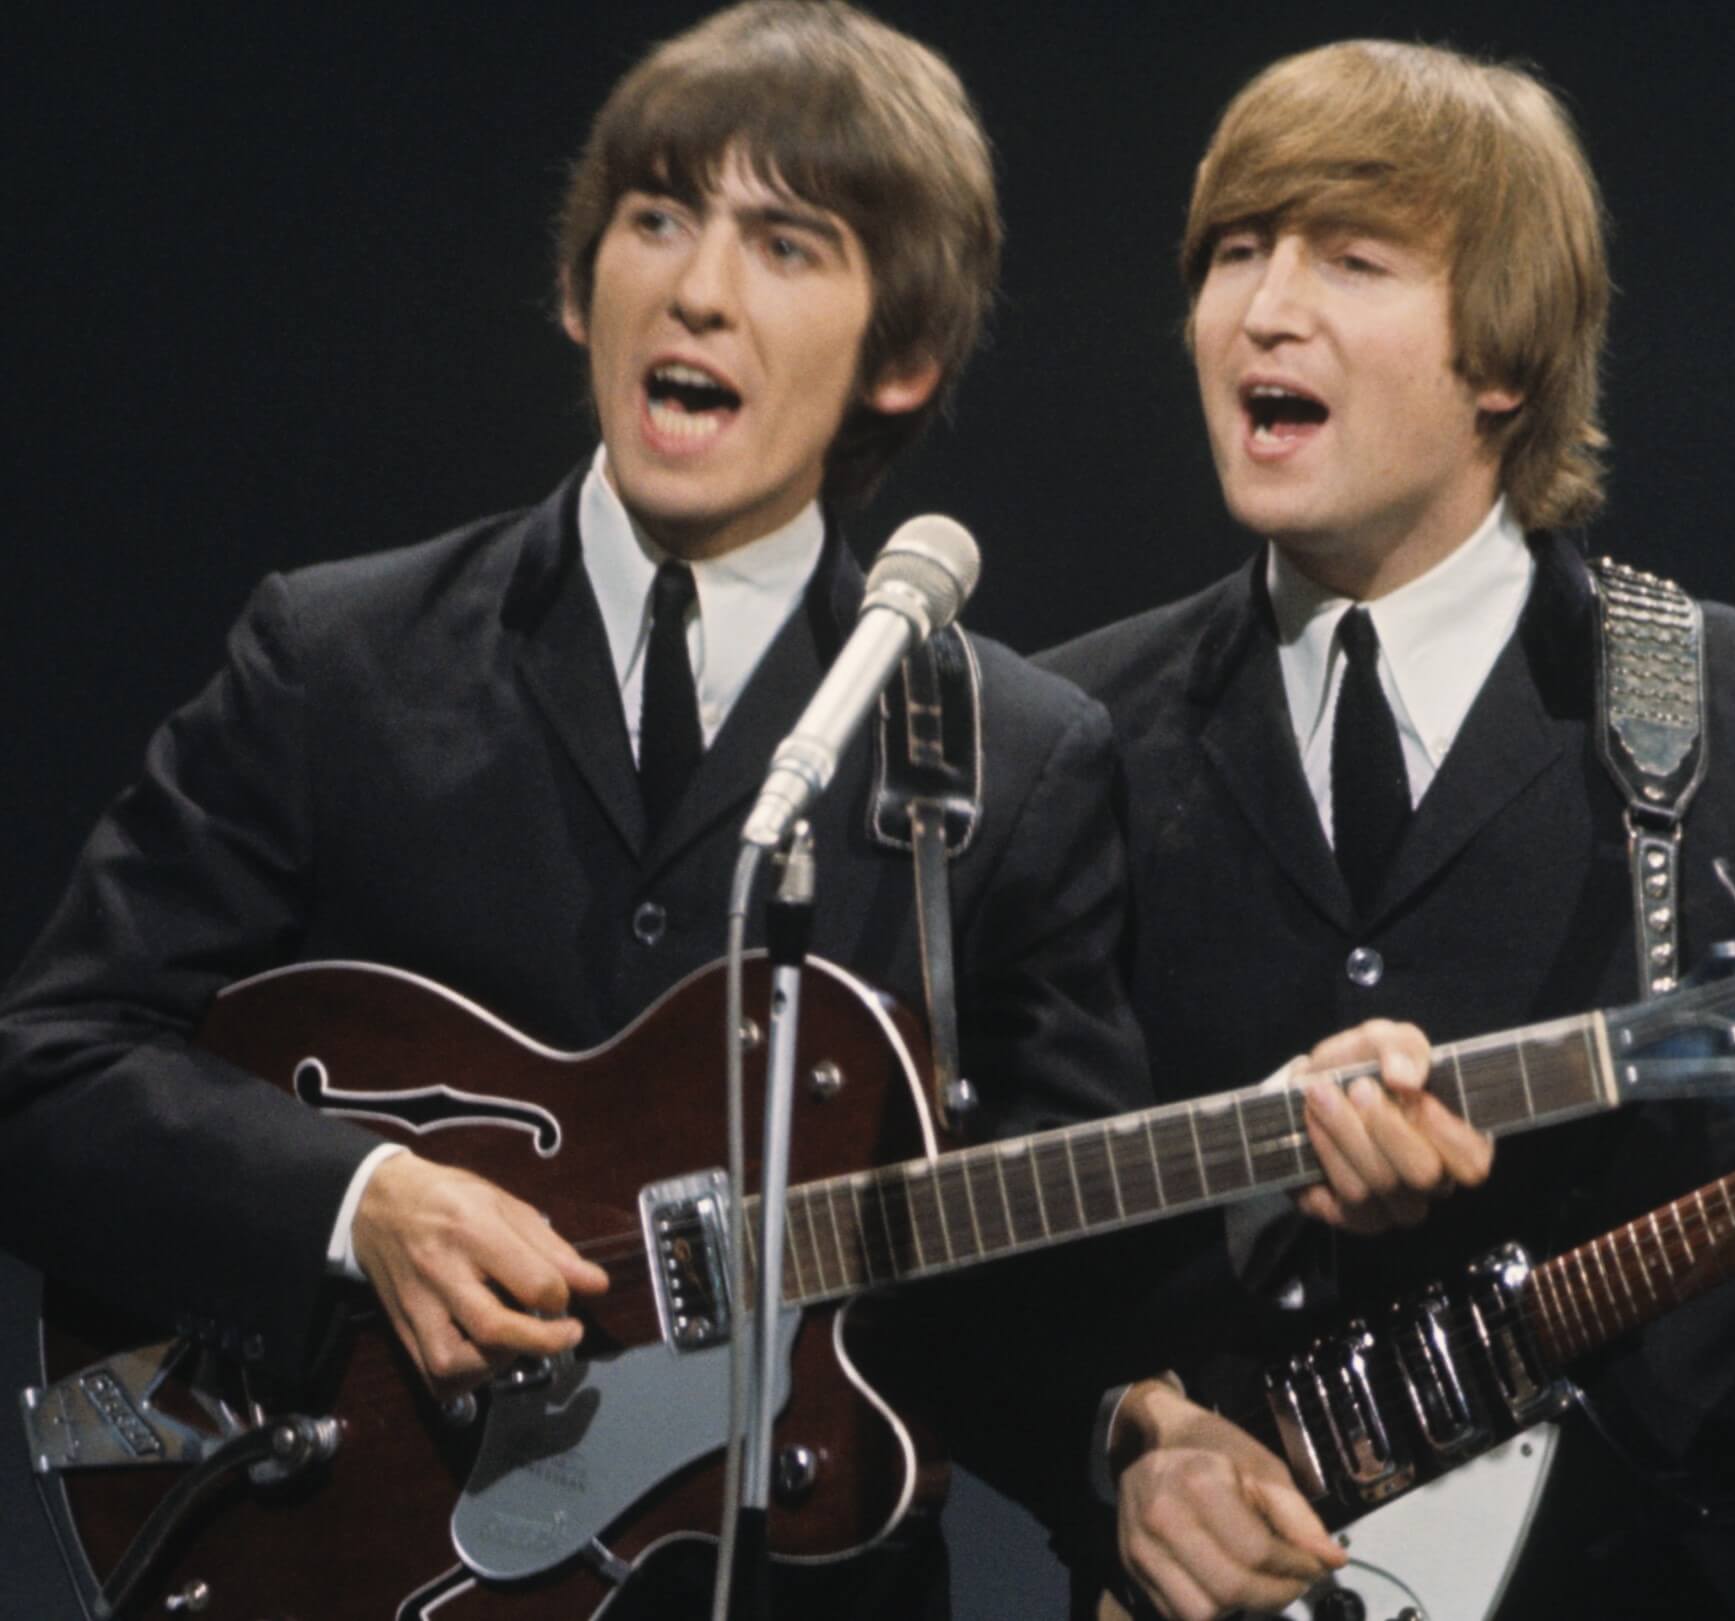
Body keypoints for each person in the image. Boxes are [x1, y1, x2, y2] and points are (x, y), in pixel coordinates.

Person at [0, 4, 1155, 1613]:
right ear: (575, 282)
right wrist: (359, 1203)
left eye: (787, 243)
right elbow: (43, 1076)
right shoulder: (335, 659)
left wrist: (1249, 1231)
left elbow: (1061, 1283)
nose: (698, 287)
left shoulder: (1014, 757)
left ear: (904, 355)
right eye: (659, 218)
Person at [1043, 39, 1735, 1621]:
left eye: (1351, 256)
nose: (1265, 306)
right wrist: (1124, 1438)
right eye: (1236, 251)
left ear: (1505, 356)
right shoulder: (1066, 734)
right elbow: (989, 1274)